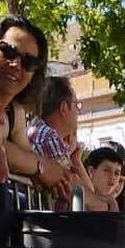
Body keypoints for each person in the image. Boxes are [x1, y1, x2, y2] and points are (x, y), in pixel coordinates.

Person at [0, 13, 59, 189]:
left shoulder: (15, 112)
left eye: (29, 62)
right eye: (8, 52)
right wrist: (41, 167)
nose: (16, 65)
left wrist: (55, 179)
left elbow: (25, 156)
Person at [26, 75, 82, 211]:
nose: (79, 111)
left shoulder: (36, 130)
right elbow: (77, 196)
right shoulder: (50, 137)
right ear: (64, 107)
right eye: (76, 105)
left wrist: (74, 157)